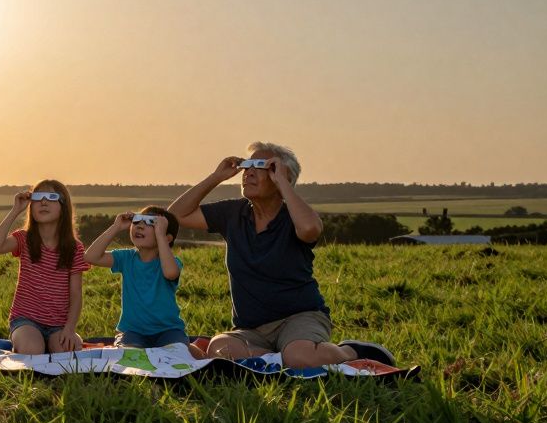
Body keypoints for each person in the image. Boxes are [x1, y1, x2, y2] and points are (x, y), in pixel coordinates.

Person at [166, 142, 395, 367]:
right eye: (247, 166)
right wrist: (216, 177)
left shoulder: (294, 215)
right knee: (221, 349)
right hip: (251, 328)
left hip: (300, 317)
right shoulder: (233, 213)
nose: (249, 173)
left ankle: (351, 351)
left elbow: (310, 229)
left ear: (280, 176)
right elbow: (175, 216)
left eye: (260, 166)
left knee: (300, 357)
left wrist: (284, 184)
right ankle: (283, 358)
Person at [84, 207, 204, 358]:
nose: (140, 225)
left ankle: (196, 351)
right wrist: (116, 227)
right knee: (129, 357)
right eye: (137, 221)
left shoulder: (170, 262)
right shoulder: (126, 258)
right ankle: (190, 349)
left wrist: (160, 235)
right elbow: (91, 257)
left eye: (150, 223)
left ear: (167, 237)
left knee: (178, 355)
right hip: (133, 331)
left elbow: (170, 273)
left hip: (168, 331)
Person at [0, 181, 90, 354]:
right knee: (32, 350)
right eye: (38, 197)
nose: (43, 202)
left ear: (64, 206)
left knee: (70, 352)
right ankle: (29, 342)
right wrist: (15, 210)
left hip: (59, 324)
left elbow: (76, 294)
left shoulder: (74, 248)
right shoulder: (24, 239)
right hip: (26, 320)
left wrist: (69, 329)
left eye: (51, 197)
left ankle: (50, 343)